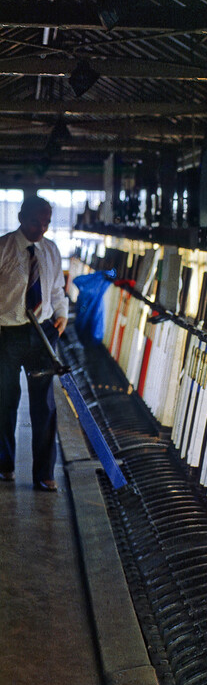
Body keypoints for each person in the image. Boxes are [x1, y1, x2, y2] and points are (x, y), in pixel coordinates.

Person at [0, 195, 68, 491]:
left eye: (47, 223)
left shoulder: (51, 250)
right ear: (20, 218)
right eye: (36, 222)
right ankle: (4, 465)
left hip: (42, 333)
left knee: (44, 405)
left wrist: (62, 313)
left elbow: (56, 288)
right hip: (7, 334)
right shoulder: (3, 248)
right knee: (4, 402)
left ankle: (44, 473)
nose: (42, 228)